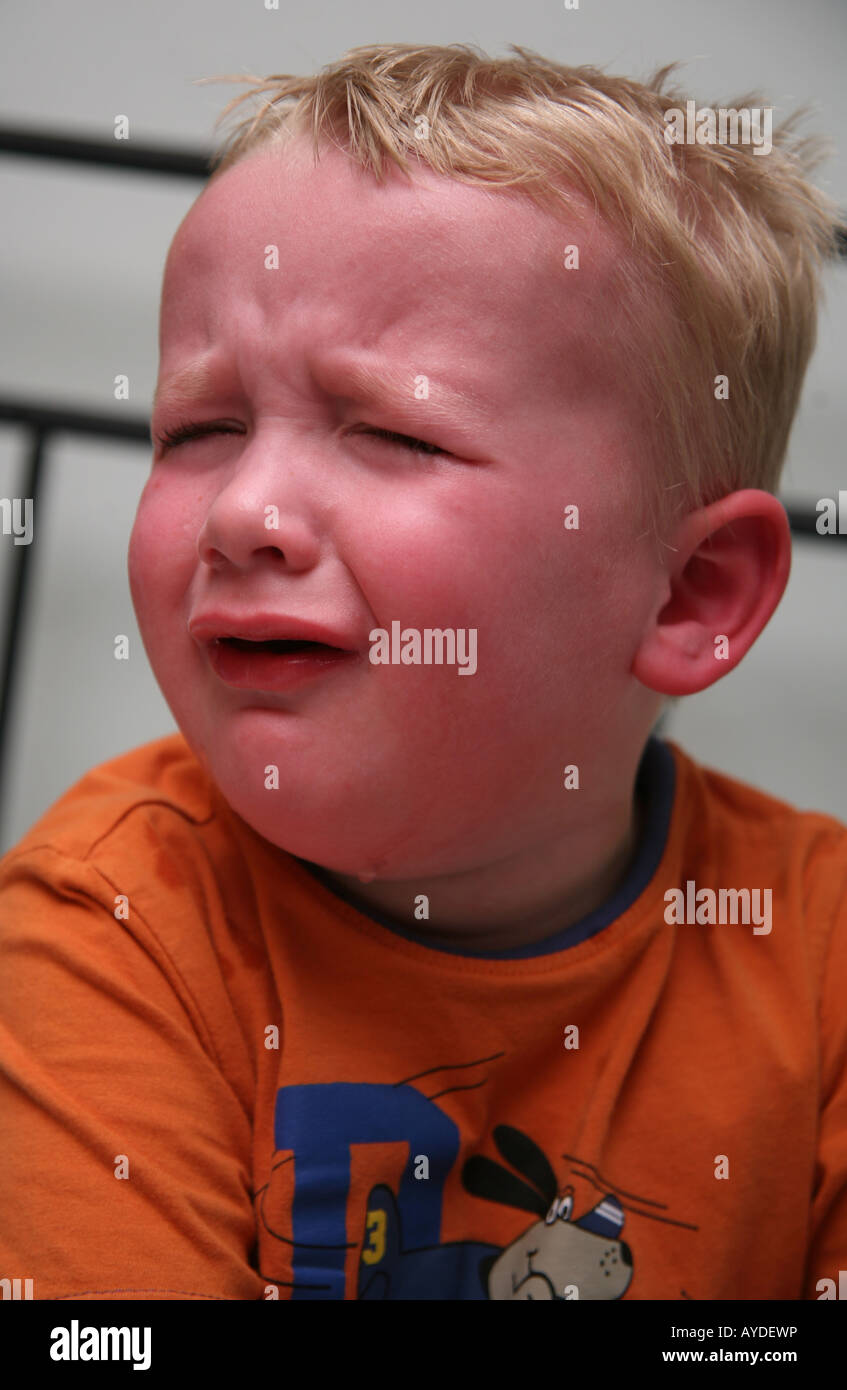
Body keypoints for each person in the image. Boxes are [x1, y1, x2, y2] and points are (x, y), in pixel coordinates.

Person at [0, 43, 843, 1301]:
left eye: (393, 432)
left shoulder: (816, 949)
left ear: (688, 593)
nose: (243, 511)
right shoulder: (105, 925)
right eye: (198, 428)